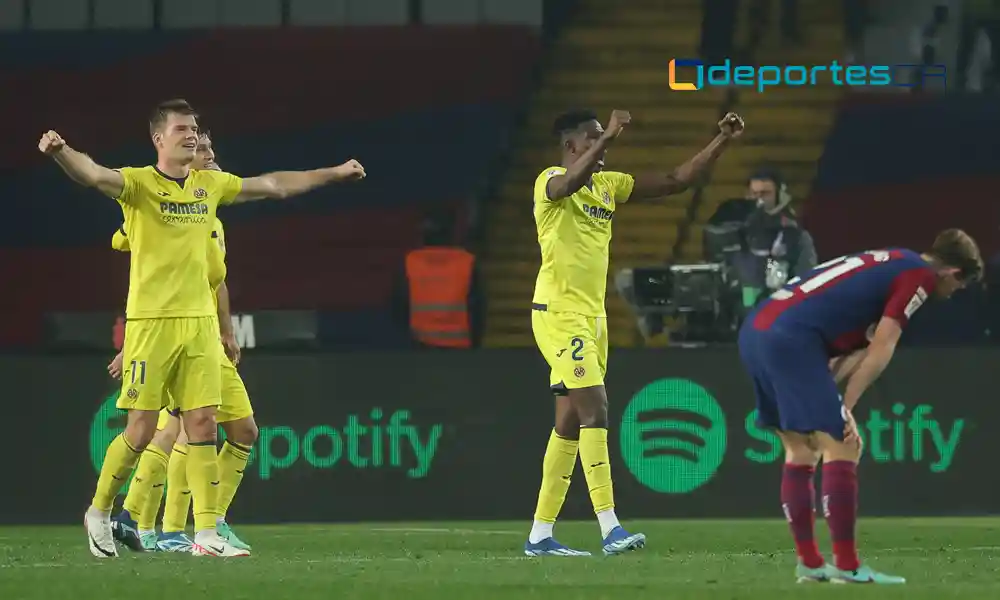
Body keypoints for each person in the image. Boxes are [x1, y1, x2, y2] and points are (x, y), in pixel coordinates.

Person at [38, 98, 365, 559]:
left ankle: (207, 532)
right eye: (181, 130)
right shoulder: (139, 184)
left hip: (199, 325)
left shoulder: (208, 185)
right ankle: (100, 511)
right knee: (140, 430)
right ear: (159, 139)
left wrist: (334, 173)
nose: (191, 135)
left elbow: (273, 185)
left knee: (203, 424)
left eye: (194, 129)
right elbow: (92, 175)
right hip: (152, 324)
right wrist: (60, 152)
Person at [526, 108, 745, 556]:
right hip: (559, 313)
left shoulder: (607, 186)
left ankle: (540, 536)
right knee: (597, 409)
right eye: (590, 141)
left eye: (600, 140)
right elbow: (568, 184)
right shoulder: (549, 183)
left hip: (592, 317)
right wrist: (607, 136)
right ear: (571, 147)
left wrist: (720, 141)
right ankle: (610, 528)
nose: (601, 148)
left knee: (568, 423)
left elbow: (675, 180)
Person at [737, 229, 982, 583]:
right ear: (953, 273)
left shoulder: (894, 260)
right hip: (791, 337)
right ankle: (848, 566)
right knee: (846, 444)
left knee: (801, 449)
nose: (953, 293)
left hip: (759, 329)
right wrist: (845, 407)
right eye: (959, 286)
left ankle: (810, 563)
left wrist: (833, 396)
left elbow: (854, 350)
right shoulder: (921, 277)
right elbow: (883, 346)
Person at [107, 131, 255, 554]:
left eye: (210, 148)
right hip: (175, 333)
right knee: (176, 430)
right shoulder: (162, 209)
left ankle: (149, 520)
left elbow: (217, 279)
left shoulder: (210, 217)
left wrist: (227, 332)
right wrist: (134, 342)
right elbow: (146, 267)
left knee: (239, 429)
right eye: (203, 148)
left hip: (204, 332)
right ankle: (161, 525)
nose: (210, 155)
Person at [392, 212, 485, 348]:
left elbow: (398, 305)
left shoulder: (410, 262)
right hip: (459, 348)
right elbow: (478, 309)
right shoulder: (467, 262)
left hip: (420, 346)